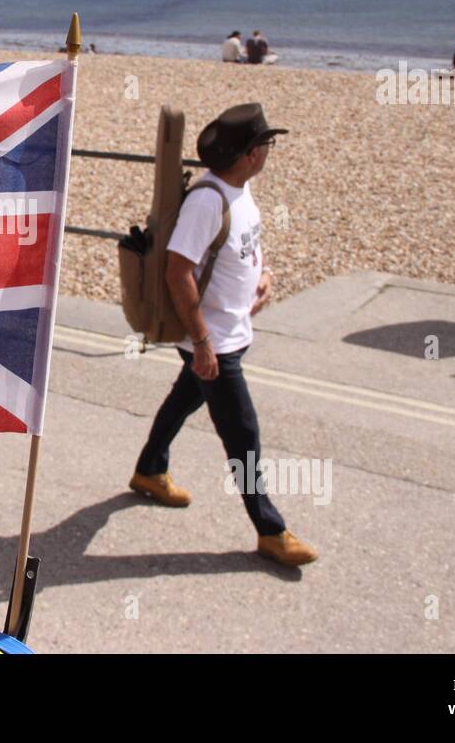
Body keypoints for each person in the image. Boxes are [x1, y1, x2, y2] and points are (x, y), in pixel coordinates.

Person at [129, 102, 317, 568]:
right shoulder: (208, 202)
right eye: (267, 144)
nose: (270, 151)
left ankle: (150, 469)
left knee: (182, 401)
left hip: (231, 332)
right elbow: (178, 272)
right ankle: (271, 531)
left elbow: (244, 246)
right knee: (243, 434)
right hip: (215, 343)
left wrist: (263, 273)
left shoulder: (239, 191)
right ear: (251, 154)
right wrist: (202, 344)